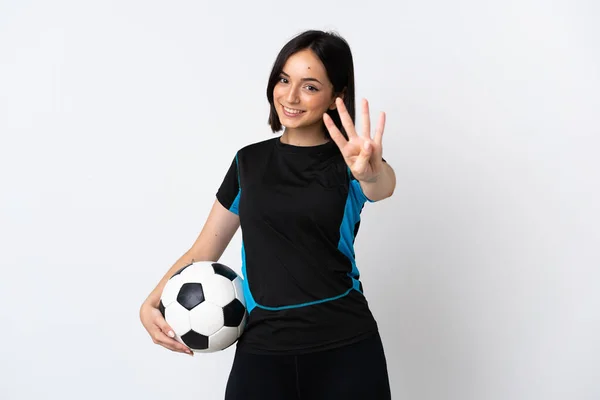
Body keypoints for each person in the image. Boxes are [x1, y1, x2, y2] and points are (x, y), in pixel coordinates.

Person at [140, 29, 396, 399]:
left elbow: (382, 187)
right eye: (284, 79)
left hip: (345, 347)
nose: (290, 96)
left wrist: (371, 173)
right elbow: (202, 252)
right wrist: (152, 301)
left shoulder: (354, 162)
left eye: (309, 86)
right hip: (263, 351)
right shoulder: (249, 162)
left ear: (336, 96)